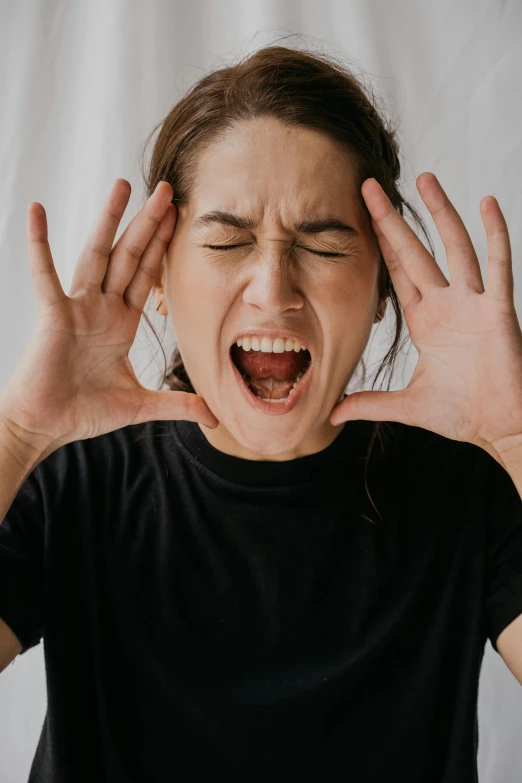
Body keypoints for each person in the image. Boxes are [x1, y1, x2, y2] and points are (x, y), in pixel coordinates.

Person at [0, 44, 521, 783]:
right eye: (227, 240)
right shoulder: (71, 481)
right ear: (157, 278)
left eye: (324, 242)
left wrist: (518, 435)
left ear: (383, 289)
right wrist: (18, 436)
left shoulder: (466, 488)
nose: (273, 289)